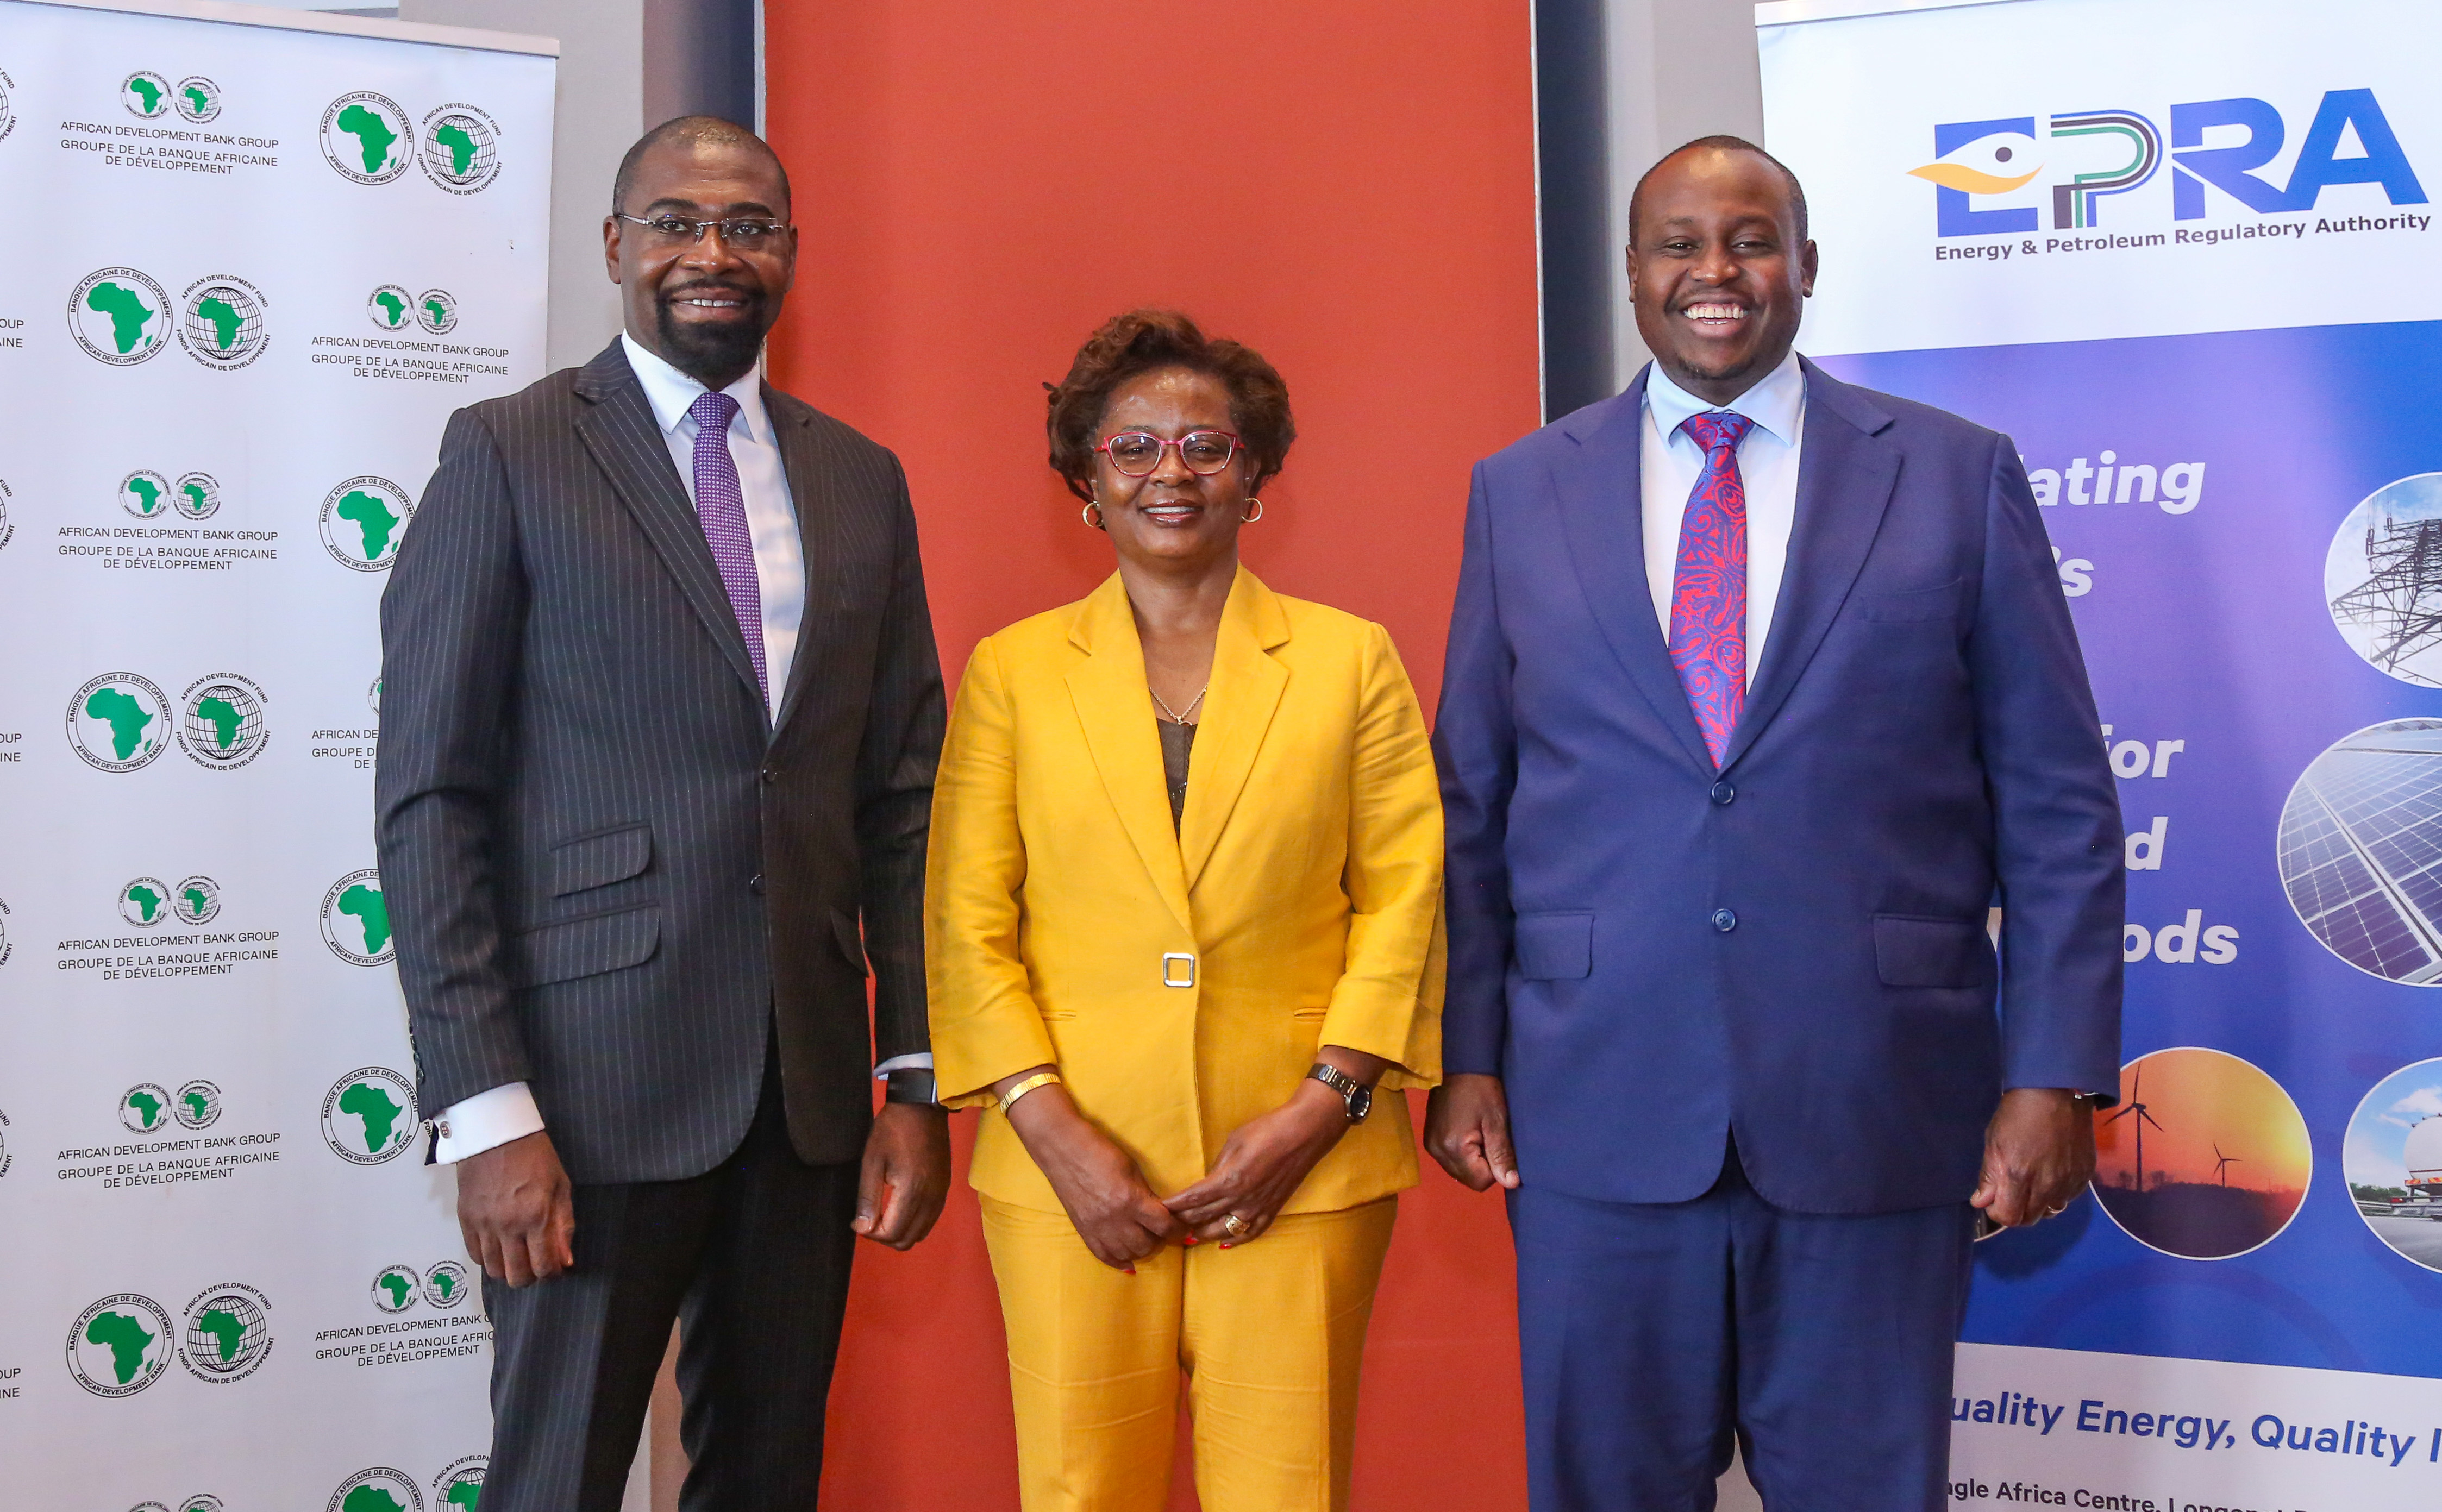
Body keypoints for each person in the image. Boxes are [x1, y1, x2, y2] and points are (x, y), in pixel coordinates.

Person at [1426, 136, 2124, 1511]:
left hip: (1876, 1102)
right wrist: (1464, 1055)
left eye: (1749, 240)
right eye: (1678, 243)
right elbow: (1474, 798)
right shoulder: (1521, 488)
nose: (1715, 272)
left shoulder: (1952, 472)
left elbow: (2055, 801)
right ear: (1633, 275)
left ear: (1804, 266)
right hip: (1592, 1109)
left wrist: (2054, 1074)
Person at [375, 116, 951, 1512]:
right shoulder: (509, 451)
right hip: (582, 1099)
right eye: (680, 223)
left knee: (767, 1478)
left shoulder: (860, 478)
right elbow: (431, 796)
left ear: (791, 257)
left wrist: (917, 1075)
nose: (714, 253)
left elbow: (901, 801)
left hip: (804, 1097)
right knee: (557, 1477)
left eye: (749, 226)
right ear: (618, 246)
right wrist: (485, 1111)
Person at [925, 310, 1445, 1512]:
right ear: (1086, 483)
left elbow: (1407, 897)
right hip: (1068, 1174)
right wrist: (1046, 1125)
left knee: (1288, 1492)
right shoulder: (1011, 671)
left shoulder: (1349, 660)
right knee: (1076, 1489)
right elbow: (963, 919)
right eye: (1133, 448)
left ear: (1255, 477)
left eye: (1208, 446)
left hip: (1300, 1166)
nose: (1172, 471)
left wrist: (1327, 1107)